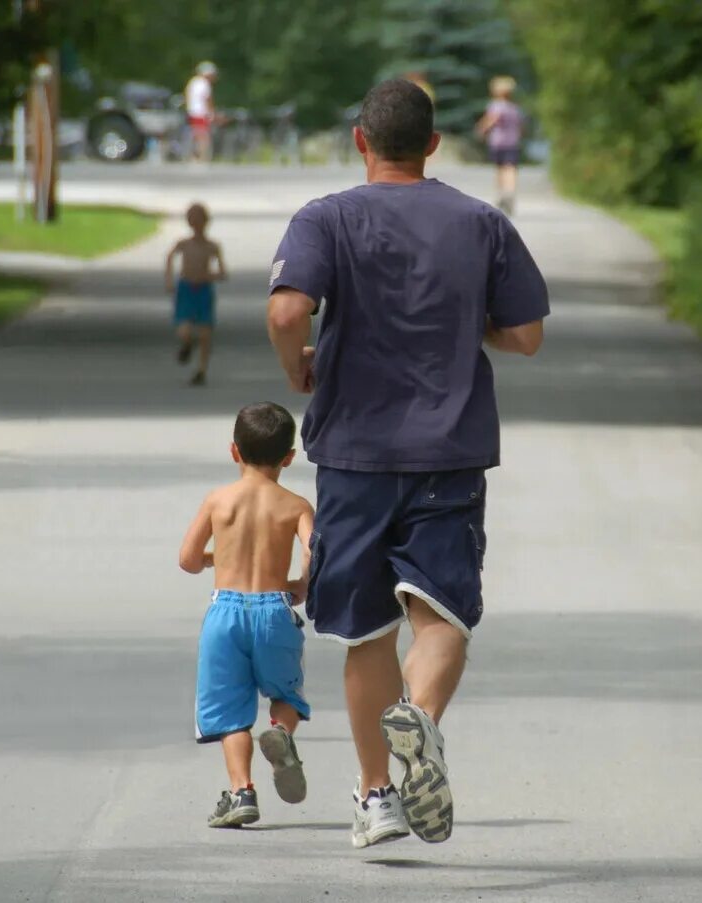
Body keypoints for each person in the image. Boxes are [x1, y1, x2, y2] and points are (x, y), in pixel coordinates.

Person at [266, 78, 549, 849]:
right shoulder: (481, 222)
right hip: (449, 453)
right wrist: (470, 323)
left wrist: (299, 367)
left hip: (354, 456)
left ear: (361, 140)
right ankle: (419, 717)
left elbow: (289, 309)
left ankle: (376, 796)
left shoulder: (325, 218)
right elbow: (526, 335)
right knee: (442, 616)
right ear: (433, 143)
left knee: (364, 636)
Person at [179, 402, 316, 828]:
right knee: (285, 694)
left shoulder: (219, 500)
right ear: (289, 457)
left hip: (225, 613)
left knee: (230, 711)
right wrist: (302, 584)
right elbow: (316, 552)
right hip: (274, 608)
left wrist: (213, 559)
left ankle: (242, 792)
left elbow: (186, 559)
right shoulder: (295, 505)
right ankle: (281, 733)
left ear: (234, 451)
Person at [165, 203, 226, 386]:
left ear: (206, 222)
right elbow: (170, 257)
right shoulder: (183, 244)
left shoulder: (212, 246)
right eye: (193, 220)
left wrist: (208, 276)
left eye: (200, 220)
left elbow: (223, 272)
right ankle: (187, 344)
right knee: (184, 329)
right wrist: (169, 279)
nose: (197, 224)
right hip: (185, 288)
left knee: (205, 333)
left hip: (204, 290)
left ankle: (201, 370)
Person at [475, 75, 524, 215]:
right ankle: (510, 192)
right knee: (511, 168)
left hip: (498, 142)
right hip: (513, 141)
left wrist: (482, 129)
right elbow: (521, 126)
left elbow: (492, 119)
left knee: (500, 168)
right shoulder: (514, 108)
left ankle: (502, 193)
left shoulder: (495, 105)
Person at [185, 61, 218, 162]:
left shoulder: (193, 82)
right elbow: (207, 98)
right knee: (203, 135)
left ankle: (194, 155)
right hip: (201, 112)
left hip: (192, 111)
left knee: (196, 134)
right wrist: (212, 112)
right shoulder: (204, 83)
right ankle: (202, 156)